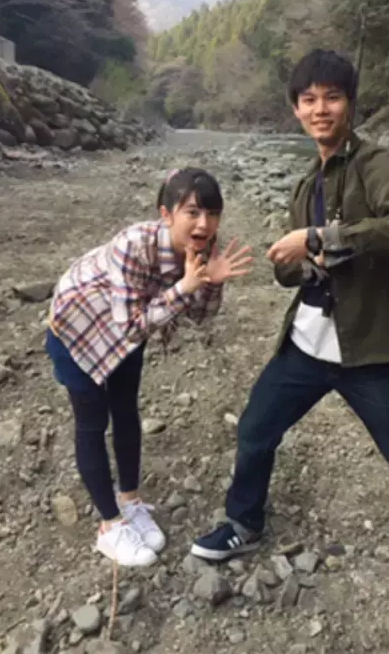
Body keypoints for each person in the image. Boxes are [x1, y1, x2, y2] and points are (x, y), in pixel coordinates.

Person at [190, 51, 389, 654]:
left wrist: (322, 236)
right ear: (296, 110)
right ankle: (245, 522)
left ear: (349, 103)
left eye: (332, 97)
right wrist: (291, 262)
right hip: (306, 344)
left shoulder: (376, 164)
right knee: (255, 429)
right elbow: (292, 275)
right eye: (309, 100)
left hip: (370, 351)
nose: (320, 109)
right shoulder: (305, 184)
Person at [46, 167, 252, 567]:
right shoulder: (134, 245)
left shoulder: (204, 246)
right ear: (166, 214)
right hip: (79, 328)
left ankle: (130, 501)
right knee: (92, 422)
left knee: (126, 411)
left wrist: (212, 281)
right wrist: (184, 288)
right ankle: (109, 526)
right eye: (192, 212)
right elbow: (132, 325)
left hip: (132, 329)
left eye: (212, 213)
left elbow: (200, 317)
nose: (204, 224)